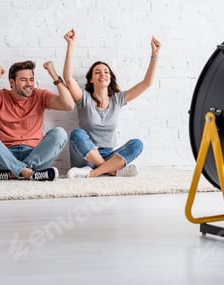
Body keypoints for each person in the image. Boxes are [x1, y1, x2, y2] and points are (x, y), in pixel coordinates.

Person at [63, 28, 161, 178]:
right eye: (97, 72)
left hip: (109, 154)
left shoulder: (118, 100)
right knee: (77, 134)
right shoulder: (84, 98)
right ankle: (110, 170)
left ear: (110, 78)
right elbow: (68, 79)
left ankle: (94, 173)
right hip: (85, 157)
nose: (102, 74)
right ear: (91, 79)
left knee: (137, 144)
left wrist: (155, 55)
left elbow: (147, 83)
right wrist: (70, 45)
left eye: (106, 72)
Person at [0, 60, 75, 181]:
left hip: (35, 155)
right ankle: (28, 173)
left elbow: (69, 105)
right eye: (23, 80)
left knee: (60, 133)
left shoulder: (40, 95)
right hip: (5, 157)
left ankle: (13, 173)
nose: (29, 84)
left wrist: (54, 75)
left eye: (31, 79)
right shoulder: (0, 96)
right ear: (12, 82)